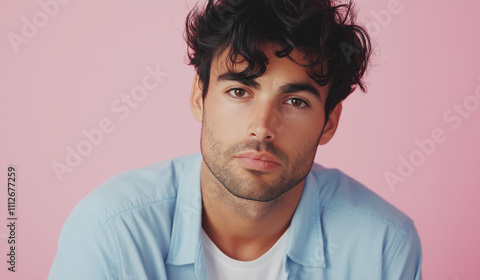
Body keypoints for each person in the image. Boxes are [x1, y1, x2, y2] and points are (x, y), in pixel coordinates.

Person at [49, 0, 422, 279]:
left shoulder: (383, 246)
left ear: (328, 123)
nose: (262, 127)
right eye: (240, 92)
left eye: (295, 101)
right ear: (199, 97)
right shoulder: (111, 230)